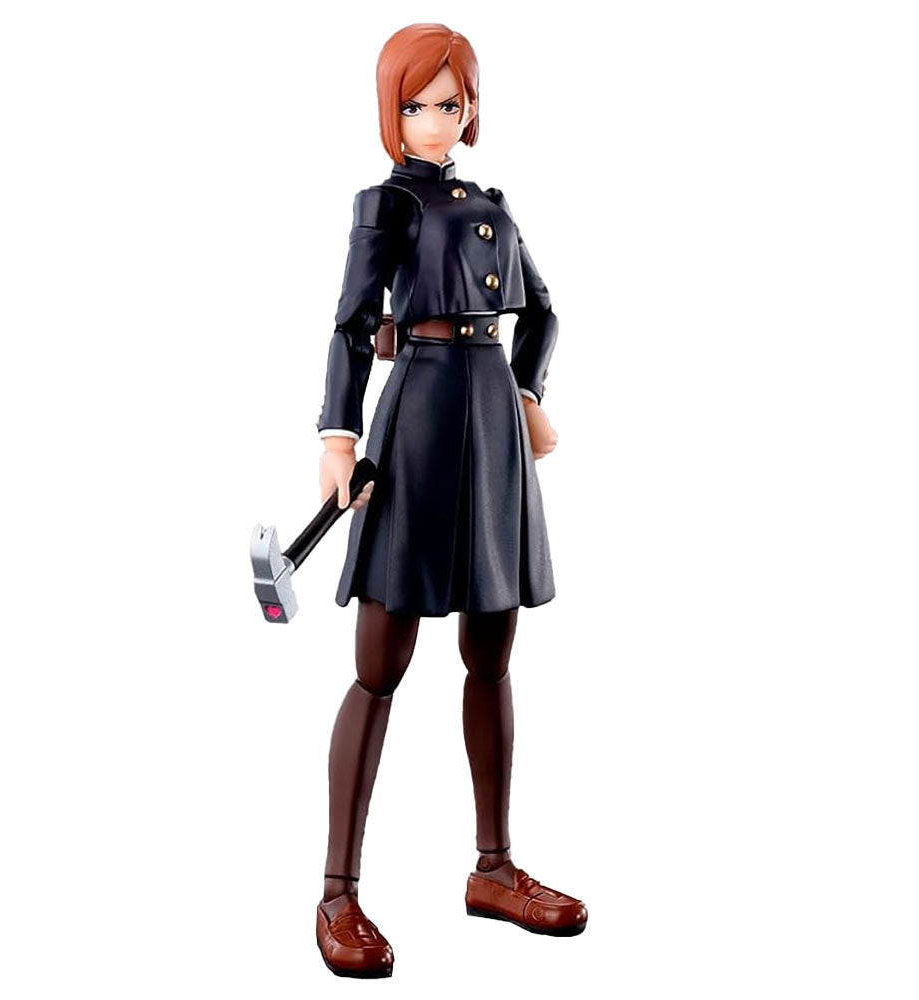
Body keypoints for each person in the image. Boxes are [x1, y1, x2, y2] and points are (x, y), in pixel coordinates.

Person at [313, 24, 587, 978]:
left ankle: (494, 869)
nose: (436, 118)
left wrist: (528, 392)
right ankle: (337, 892)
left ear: (471, 107)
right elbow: (353, 323)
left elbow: (542, 310)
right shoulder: (386, 203)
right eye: (417, 103)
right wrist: (338, 435)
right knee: (380, 660)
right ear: (392, 112)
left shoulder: (493, 205)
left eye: (450, 101)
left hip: (493, 422)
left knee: (492, 650)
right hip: (422, 418)